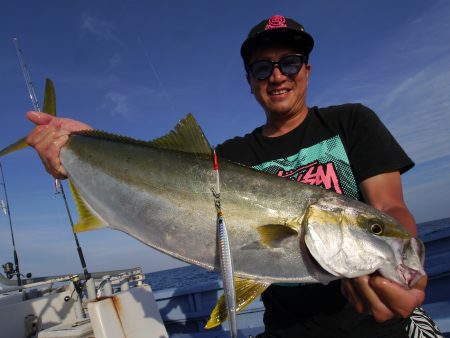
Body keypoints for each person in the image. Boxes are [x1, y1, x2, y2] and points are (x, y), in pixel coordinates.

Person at [26, 15, 442, 338]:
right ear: (249, 82)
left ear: (308, 70)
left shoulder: (351, 122)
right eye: (263, 68)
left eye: (290, 63)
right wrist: (77, 150)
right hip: (285, 329)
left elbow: (387, 207)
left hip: (386, 326)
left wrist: (404, 258)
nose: (278, 75)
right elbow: (166, 187)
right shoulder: (227, 158)